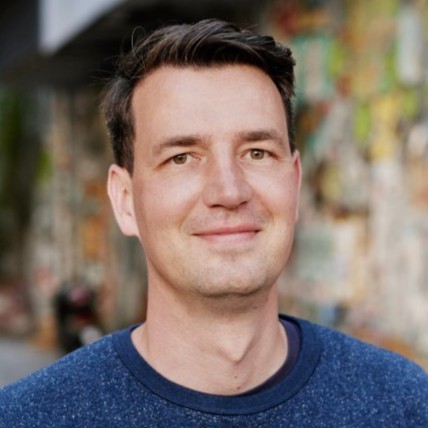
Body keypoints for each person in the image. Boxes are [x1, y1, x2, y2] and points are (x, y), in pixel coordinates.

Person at [0, 19, 427, 427]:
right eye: (181, 158)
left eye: (257, 152)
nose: (228, 190)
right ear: (125, 200)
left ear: (295, 184)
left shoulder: (404, 405)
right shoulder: (28, 419)